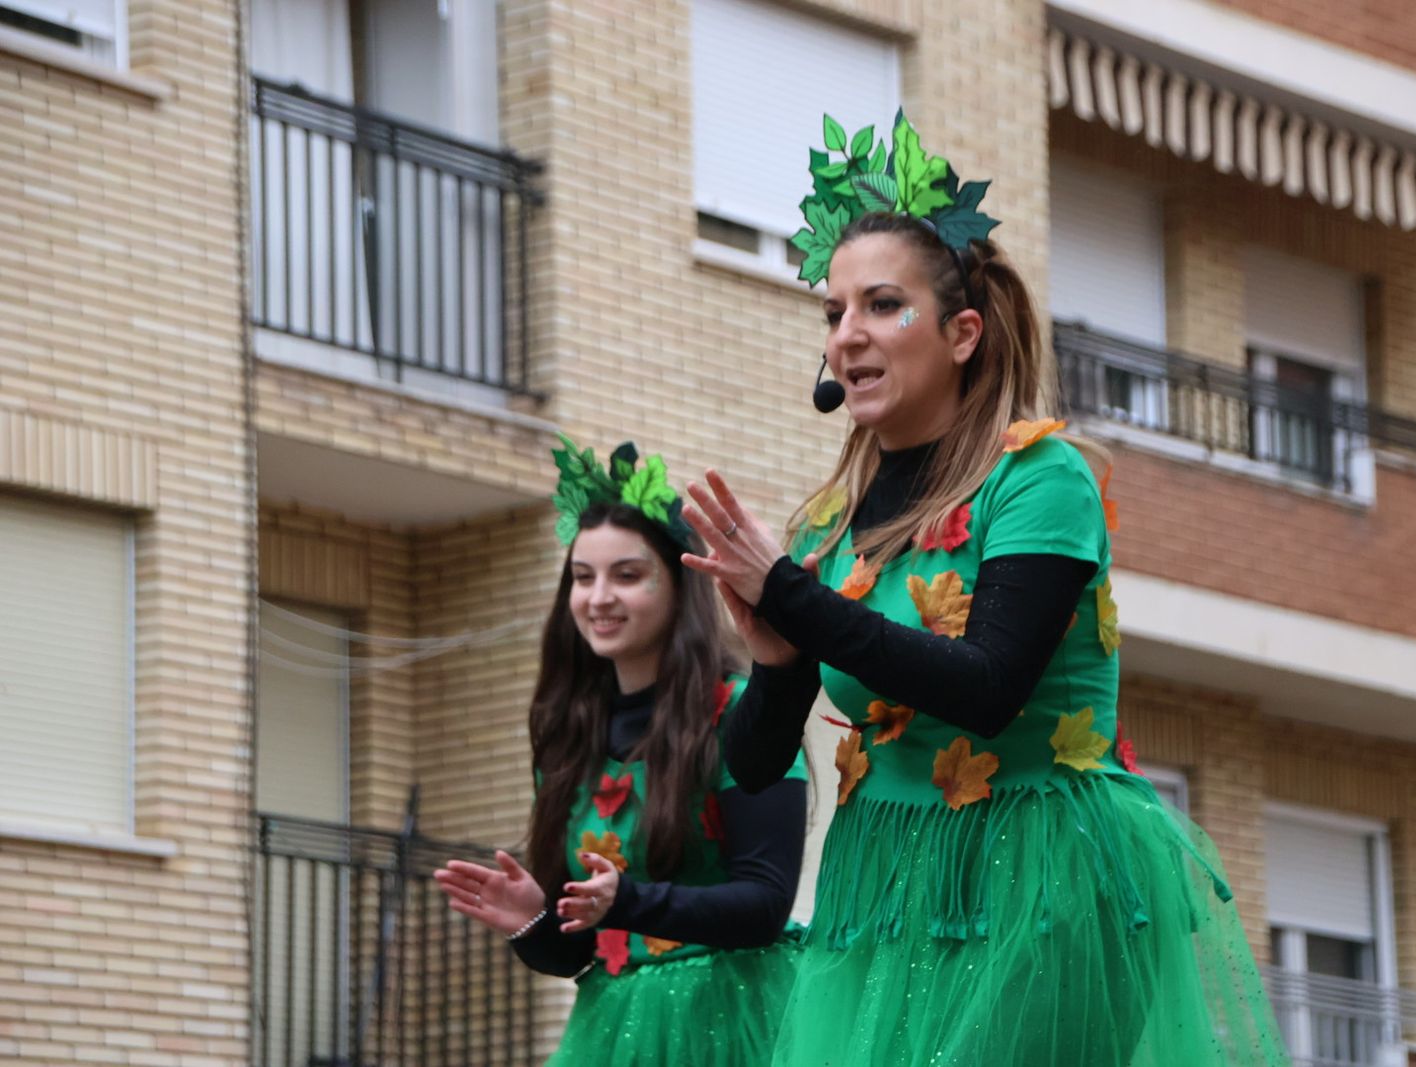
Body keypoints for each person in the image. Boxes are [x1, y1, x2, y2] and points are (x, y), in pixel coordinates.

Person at [680, 113, 1290, 1065]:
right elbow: (754, 766)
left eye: (883, 305)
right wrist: (773, 659)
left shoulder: (1039, 479)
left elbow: (989, 685)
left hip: (1037, 878)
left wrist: (793, 599)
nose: (847, 335)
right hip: (885, 889)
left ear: (963, 332)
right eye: (834, 313)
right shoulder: (827, 528)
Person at [433, 437, 807, 1067]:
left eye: (626, 575)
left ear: (679, 585)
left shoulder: (739, 714)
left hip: (736, 1021)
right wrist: (531, 921)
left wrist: (626, 901)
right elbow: (576, 953)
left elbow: (765, 904)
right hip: (612, 1027)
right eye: (583, 578)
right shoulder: (566, 736)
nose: (599, 597)